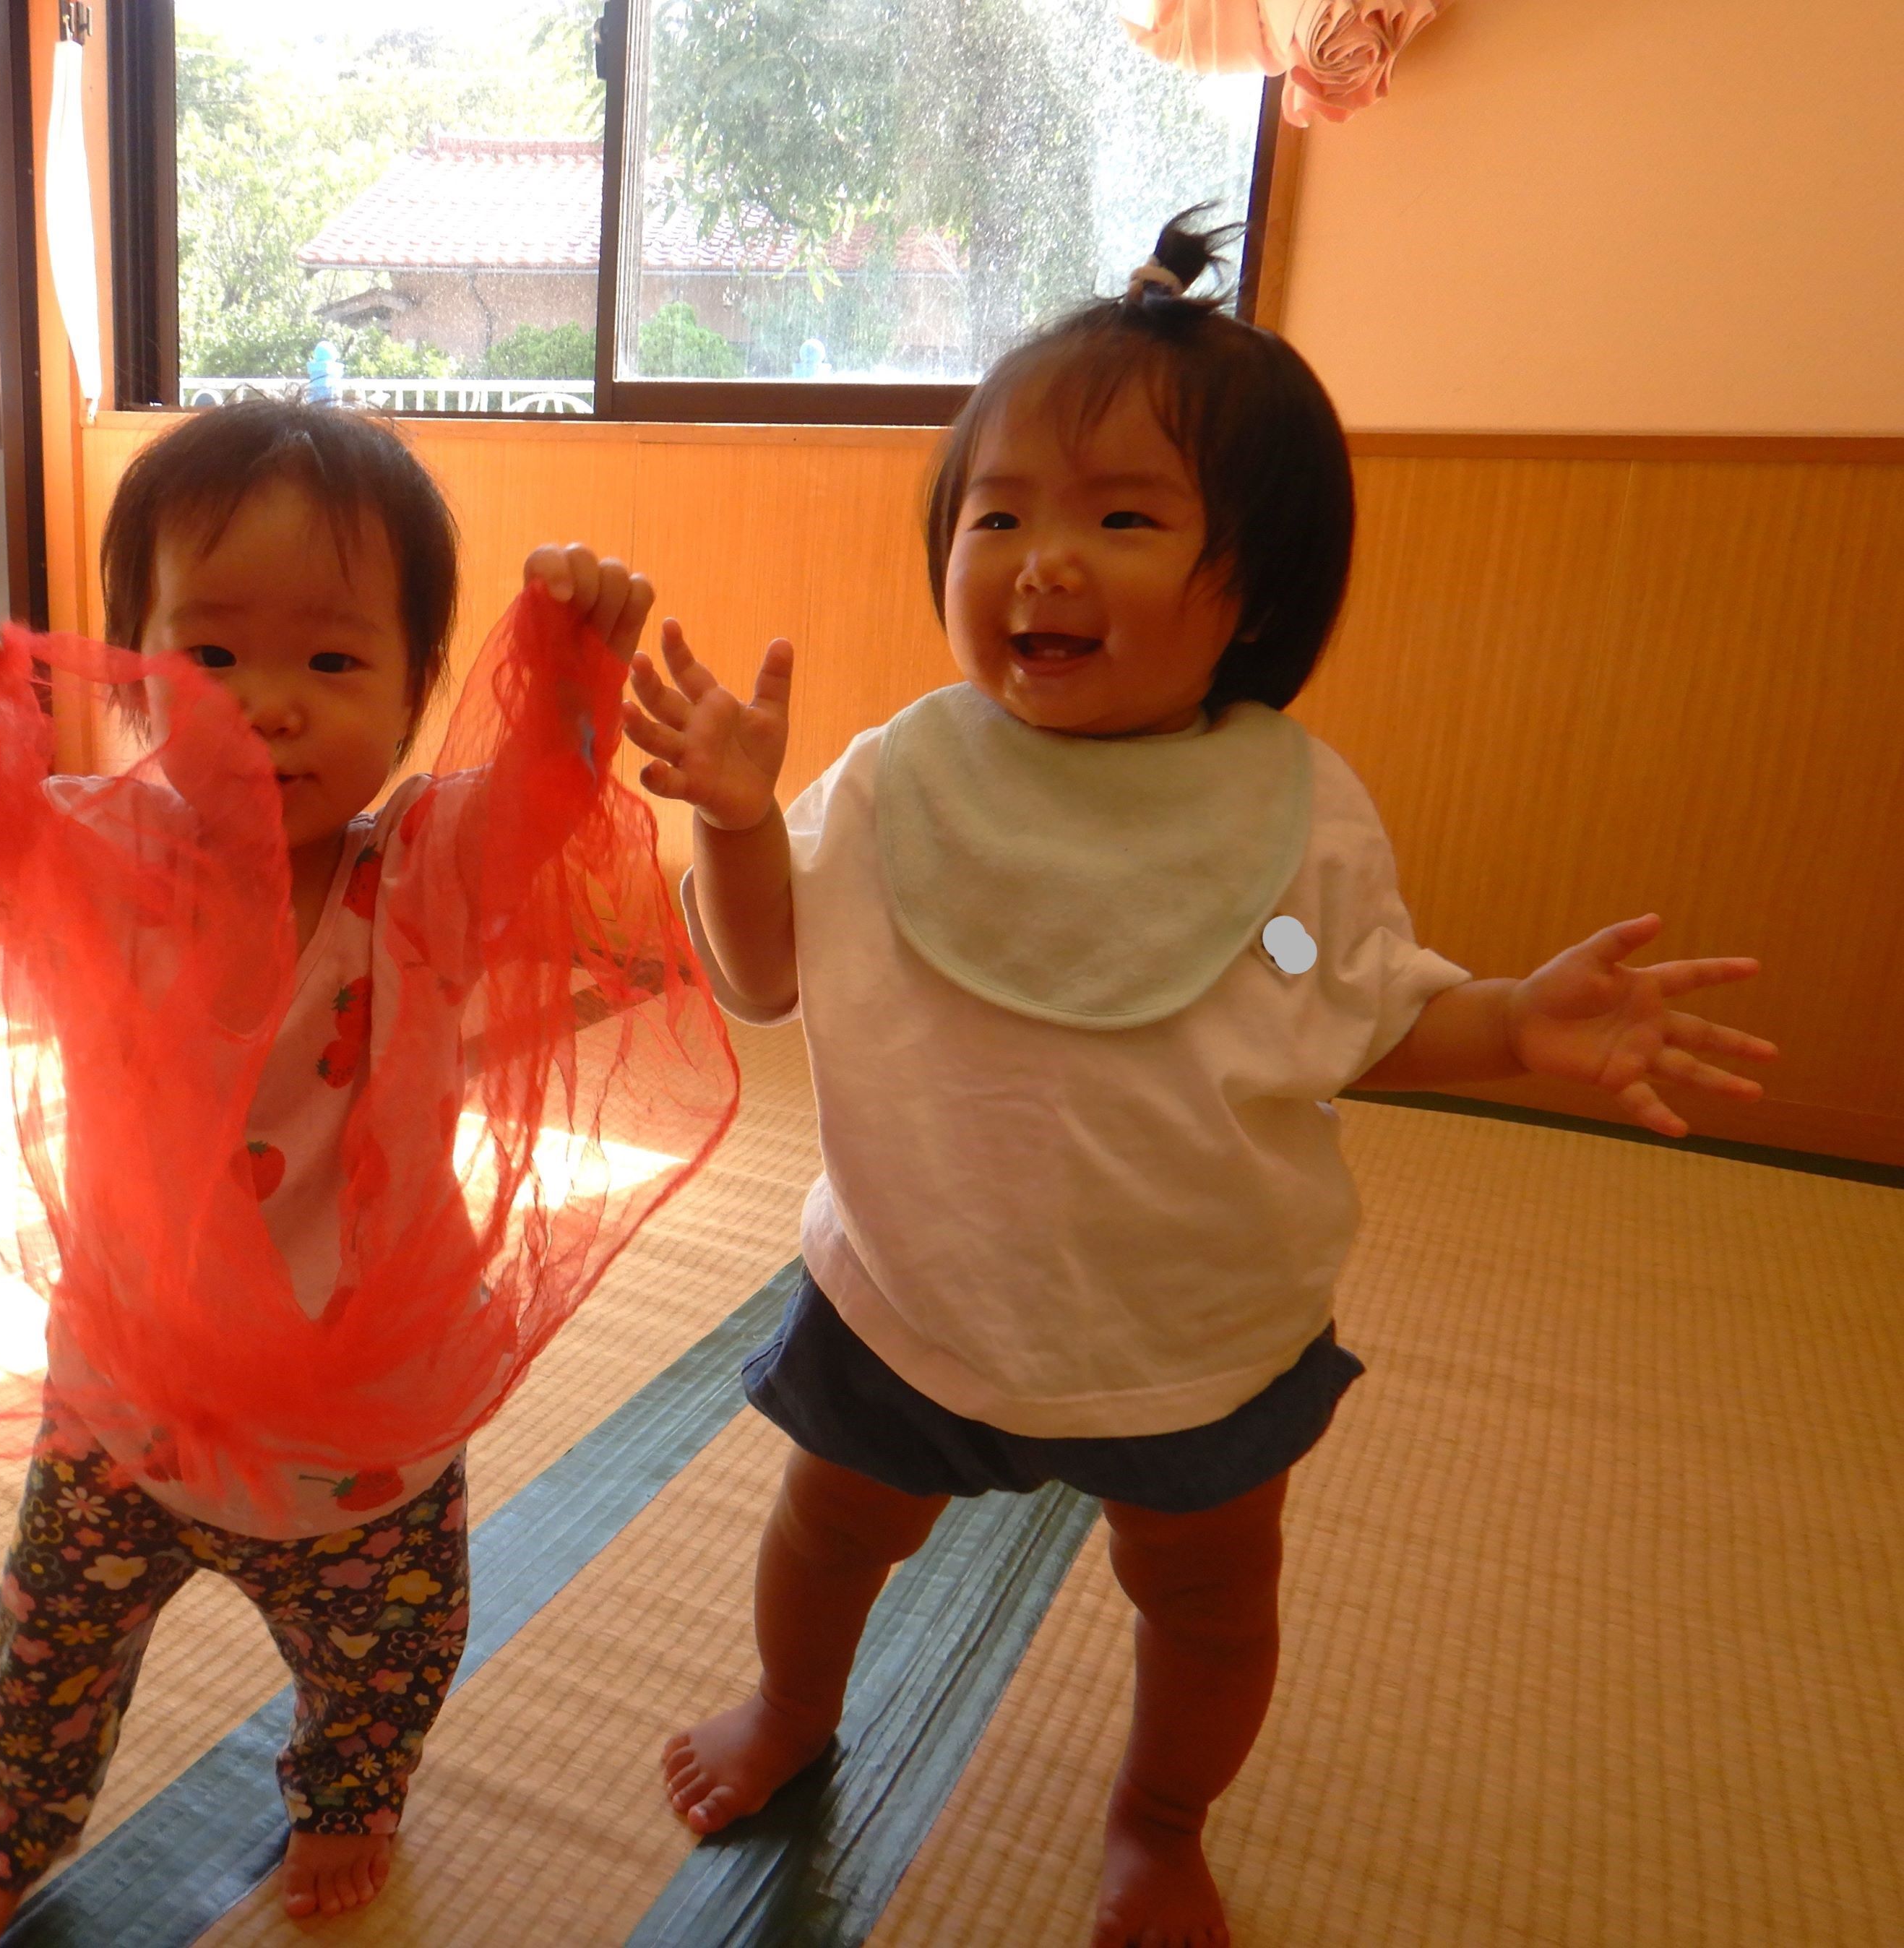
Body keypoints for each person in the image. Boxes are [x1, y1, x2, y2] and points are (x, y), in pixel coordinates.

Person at [630, 214, 1778, 1948]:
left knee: (1210, 1600)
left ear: (1259, 587)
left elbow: (1336, 1005)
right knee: (830, 1526)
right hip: (915, 1290)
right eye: (998, 514)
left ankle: (1159, 1821)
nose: (1042, 560)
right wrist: (733, 826)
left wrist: (1512, 1027)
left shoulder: (1285, 822)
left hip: (1198, 1326)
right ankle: (793, 1707)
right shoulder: (901, 784)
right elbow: (771, 968)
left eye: (1122, 519)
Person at [0, 400, 728, 1945]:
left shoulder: (426, 869)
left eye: (330, 660)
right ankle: (8, 1820)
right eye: (209, 656)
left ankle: (348, 1795)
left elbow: (549, 799)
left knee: (385, 1658)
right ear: (131, 670)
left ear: (416, 689)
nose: (266, 706)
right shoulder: (94, 853)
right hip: (129, 1400)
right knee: (49, 1646)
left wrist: (577, 669)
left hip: (359, 1423)